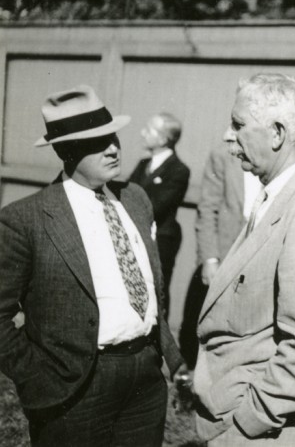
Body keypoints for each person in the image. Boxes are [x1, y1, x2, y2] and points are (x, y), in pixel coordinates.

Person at [0, 85, 183, 447]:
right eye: (98, 141)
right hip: (73, 387)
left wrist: (164, 353)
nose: (114, 147)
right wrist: (36, 375)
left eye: (113, 135)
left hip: (145, 380)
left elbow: (151, 282)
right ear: (66, 150)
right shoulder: (26, 219)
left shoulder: (135, 197)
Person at [193, 73, 295, 446]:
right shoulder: (281, 194)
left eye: (238, 125)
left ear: (278, 134)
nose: (227, 136)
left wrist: (248, 421)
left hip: (264, 430)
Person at [178, 143, 261, 370]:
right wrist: (210, 259)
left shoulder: (276, 159)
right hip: (222, 255)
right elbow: (207, 208)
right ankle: (192, 377)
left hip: (254, 260)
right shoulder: (223, 157)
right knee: (199, 324)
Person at [129, 112, 190, 317]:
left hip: (161, 240)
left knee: (157, 289)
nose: (142, 133)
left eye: (149, 130)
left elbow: (156, 206)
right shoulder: (142, 165)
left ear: (164, 139)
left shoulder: (179, 170)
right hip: (136, 234)